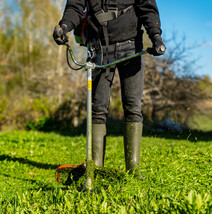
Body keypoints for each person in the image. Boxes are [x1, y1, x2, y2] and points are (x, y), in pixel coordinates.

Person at [53, 0, 166, 179]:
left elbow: (147, 8)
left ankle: (133, 169)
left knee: (133, 106)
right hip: (99, 49)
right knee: (97, 108)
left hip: (131, 47)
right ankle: (96, 168)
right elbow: (75, 7)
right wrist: (64, 26)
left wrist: (156, 36)